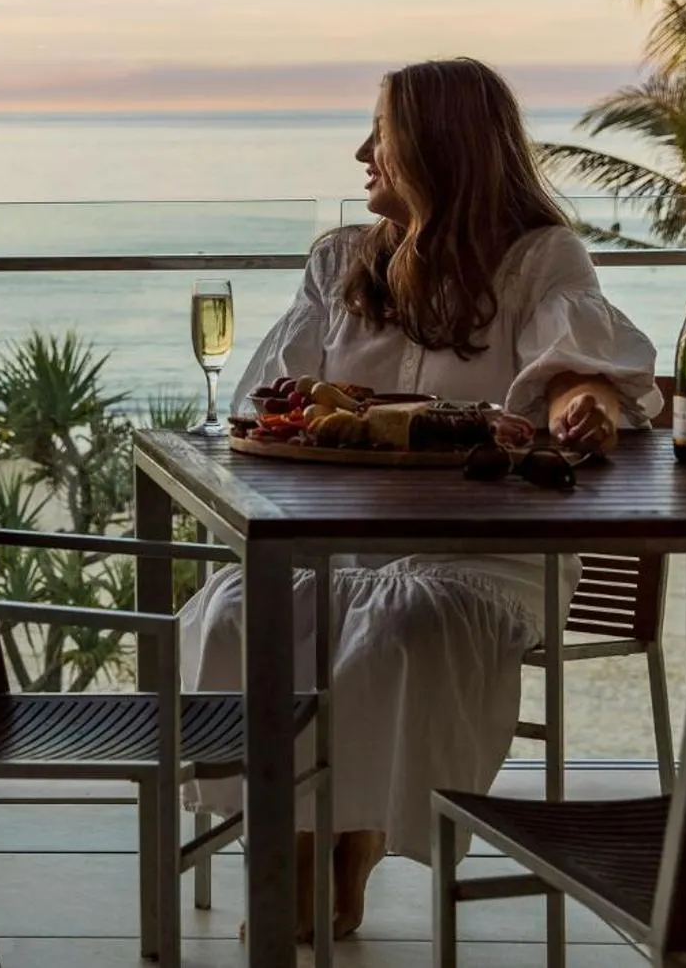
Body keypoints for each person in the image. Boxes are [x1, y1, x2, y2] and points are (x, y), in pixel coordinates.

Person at [179, 56, 660, 938]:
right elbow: (275, 403)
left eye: (384, 134)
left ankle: (348, 839)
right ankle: (287, 834)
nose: (364, 151)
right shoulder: (338, 261)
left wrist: (579, 403)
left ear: (439, 150)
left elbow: (568, 368)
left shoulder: (538, 258)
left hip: (486, 551)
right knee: (236, 610)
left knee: (400, 627)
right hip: (334, 538)